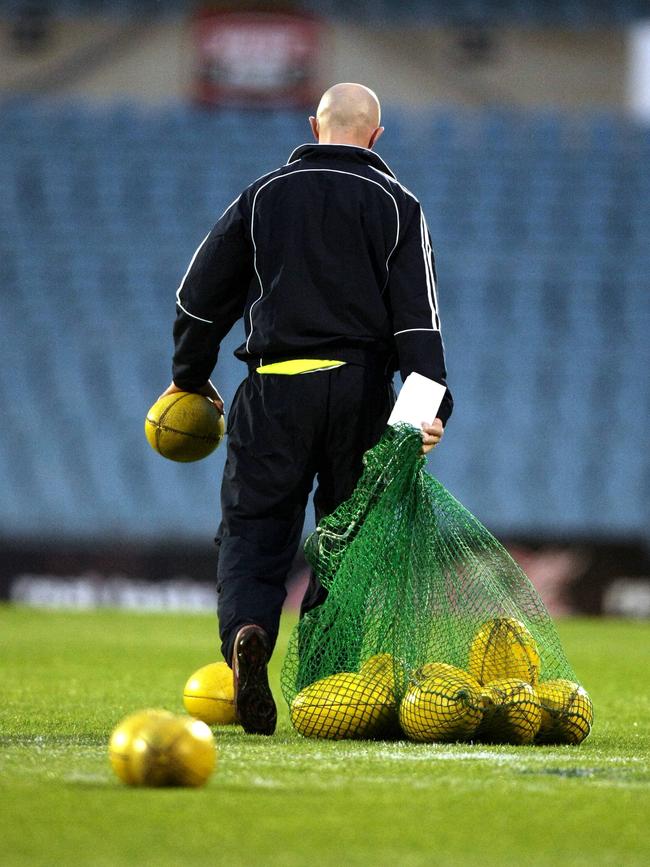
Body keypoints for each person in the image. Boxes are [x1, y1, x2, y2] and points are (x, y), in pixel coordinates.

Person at [161, 83, 453, 735]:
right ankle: (323, 684)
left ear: (313, 125)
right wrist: (427, 410)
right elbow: (419, 330)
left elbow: (197, 301)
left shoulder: (262, 196)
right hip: (361, 390)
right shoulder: (399, 205)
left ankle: (249, 630)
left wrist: (189, 377)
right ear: (376, 136)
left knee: (254, 528)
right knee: (349, 536)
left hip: (274, 386)